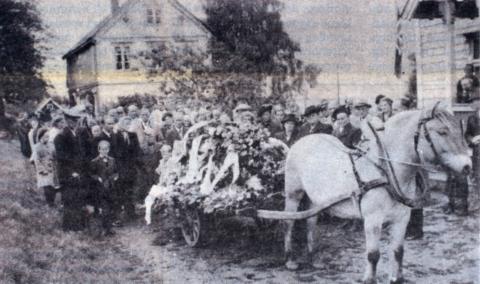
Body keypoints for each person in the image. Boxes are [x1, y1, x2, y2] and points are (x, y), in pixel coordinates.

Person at [53, 115, 87, 231]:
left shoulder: (75, 134)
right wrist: (72, 171)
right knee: (69, 199)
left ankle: (78, 226)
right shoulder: (60, 137)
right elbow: (62, 158)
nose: (76, 123)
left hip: (77, 172)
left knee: (78, 199)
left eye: (77, 121)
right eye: (73, 121)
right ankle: (69, 227)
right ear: (67, 121)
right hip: (68, 174)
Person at [111, 116, 141, 223]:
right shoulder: (115, 135)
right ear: (120, 124)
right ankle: (118, 215)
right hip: (120, 167)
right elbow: (115, 152)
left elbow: (137, 150)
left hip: (131, 167)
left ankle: (130, 212)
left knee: (130, 190)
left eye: (129, 123)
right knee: (120, 191)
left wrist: (136, 163)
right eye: (125, 123)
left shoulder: (132, 135)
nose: (128, 125)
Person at [89, 140, 118, 236]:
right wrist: (98, 178)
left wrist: (115, 176)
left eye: (106, 149)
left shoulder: (112, 160)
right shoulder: (94, 161)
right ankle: (103, 228)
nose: (104, 151)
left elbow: (115, 172)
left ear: (109, 150)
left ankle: (109, 228)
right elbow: (92, 174)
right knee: (103, 208)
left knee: (111, 207)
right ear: (99, 150)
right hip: (100, 189)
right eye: (102, 149)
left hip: (111, 187)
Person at [32, 128, 60, 207]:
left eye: (48, 137)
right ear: (40, 137)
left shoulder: (51, 145)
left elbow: (55, 155)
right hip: (44, 168)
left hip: (52, 168)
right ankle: (49, 202)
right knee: (46, 186)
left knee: (52, 186)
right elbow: (36, 160)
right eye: (45, 137)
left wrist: (56, 161)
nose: (46, 139)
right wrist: (41, 170)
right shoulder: (37, 147)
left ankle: (52, 201)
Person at [465, 93, 480, 193]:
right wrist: (472, 140)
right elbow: (467, 134)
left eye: (472, 101)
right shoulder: (471, 118)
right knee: (478, 177)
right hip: (477, 153)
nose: (470, 104)